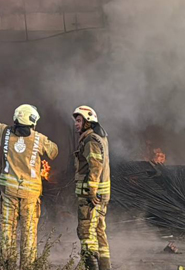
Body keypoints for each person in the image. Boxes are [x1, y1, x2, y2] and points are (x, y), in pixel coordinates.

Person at [0, 101, 58, 266]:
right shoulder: (39, 138)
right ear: (32, 121)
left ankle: (7, 264)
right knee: (28, 231)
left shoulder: (5, 133)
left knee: (7, 228)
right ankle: (27, 266)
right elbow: (53, 152)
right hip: (30, 194)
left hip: (9, 192)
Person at [72, 105, 111, 270]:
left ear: (89, 122)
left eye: (79, 120)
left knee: (87, 233)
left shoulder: (91, 140)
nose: (76, 124)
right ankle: (105, 267)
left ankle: (92, 267)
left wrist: (91, 192)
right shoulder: (100, 138)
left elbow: (95, 167)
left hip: (92, 198)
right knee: (100, 233)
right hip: (101, 195)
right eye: (76, 121)